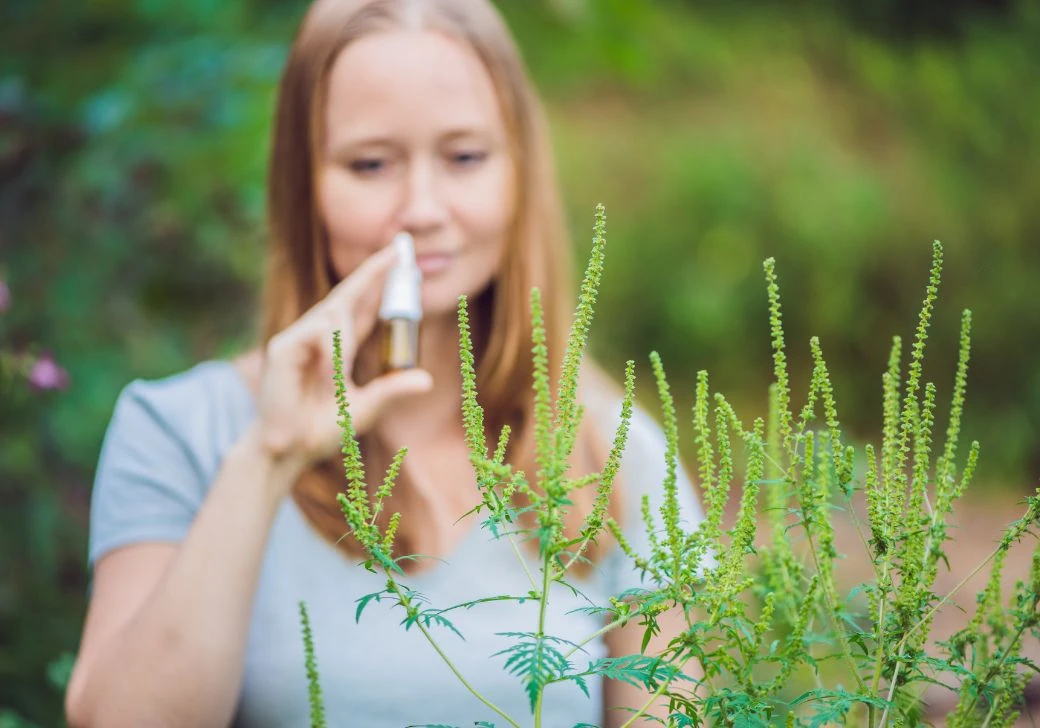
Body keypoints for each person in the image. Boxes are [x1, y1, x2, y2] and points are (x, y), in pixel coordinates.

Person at [64, 1, 707, 726]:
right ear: (304, 186)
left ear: (521, 171)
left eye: (465, 157)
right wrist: (268, 457)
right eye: (371, 164)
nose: (422, 208)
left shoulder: (617, 453)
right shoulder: (180, 430)